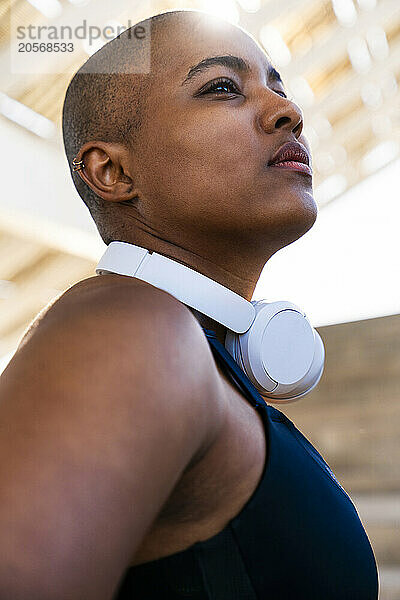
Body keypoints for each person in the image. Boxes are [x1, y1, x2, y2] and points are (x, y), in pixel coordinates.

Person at [0, 9, 378, 599]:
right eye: (222, 88)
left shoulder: (184, 344)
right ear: (113, 171)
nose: (290, 111)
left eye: (277, 86)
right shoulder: (130, 329)